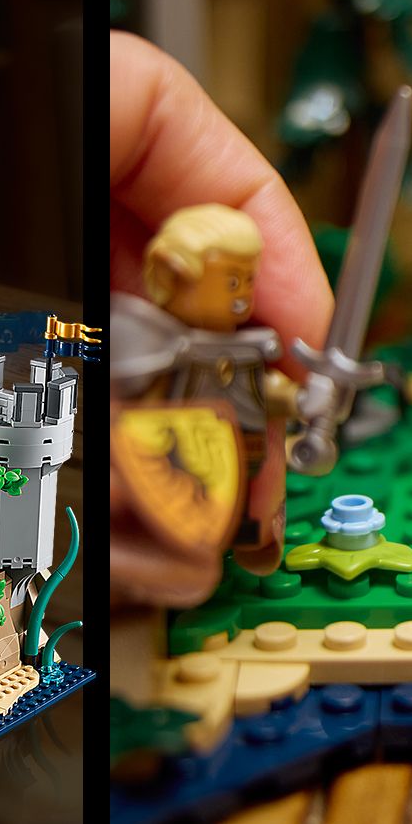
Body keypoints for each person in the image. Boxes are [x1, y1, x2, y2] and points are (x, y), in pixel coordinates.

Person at [112, 33, 332, 609]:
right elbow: (143, 418)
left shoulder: (251, 345)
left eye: (249, 281)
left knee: (243, 506)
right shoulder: (158, 347)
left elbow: (268, 390)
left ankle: (244, 530)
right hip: (181, 458)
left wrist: (298, 398)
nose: (243, 297)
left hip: (242, 448)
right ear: (176, 275)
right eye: (230, 281)